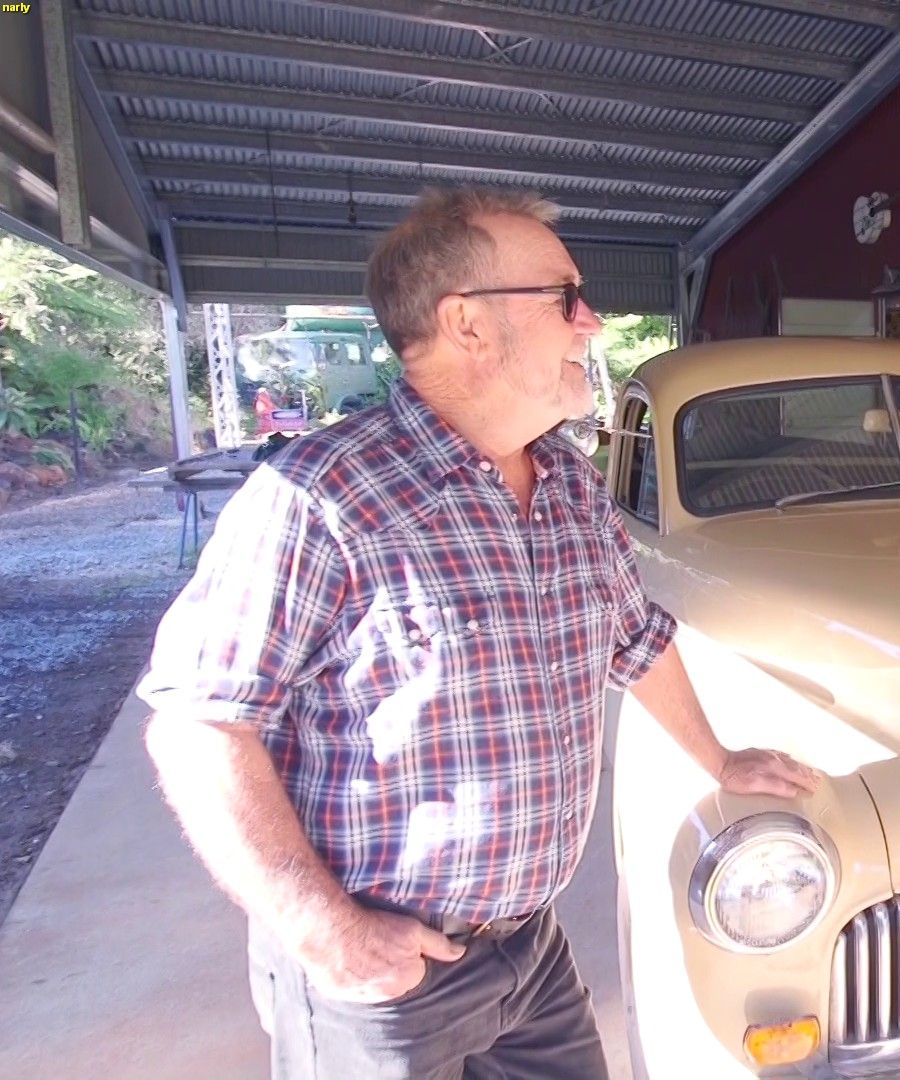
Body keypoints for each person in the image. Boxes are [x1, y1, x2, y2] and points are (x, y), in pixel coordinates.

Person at [138, 187, 820, 1080]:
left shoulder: (569, 483)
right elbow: (200, 724)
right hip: (384, 975)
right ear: (466, 323)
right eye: (564, 297)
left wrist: (721, 760)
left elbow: (637, 639)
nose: (591, 321)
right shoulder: (322, 495)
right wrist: (316, 924)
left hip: (531, 950)